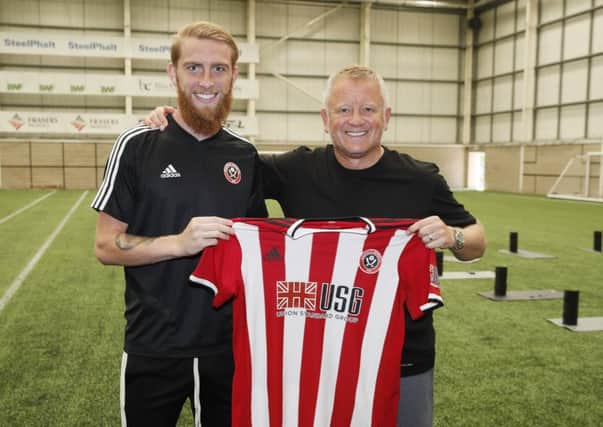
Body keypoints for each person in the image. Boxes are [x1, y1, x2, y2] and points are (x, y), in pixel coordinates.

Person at [145, 65, 486, 427]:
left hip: (403, 359)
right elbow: (225, 161)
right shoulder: (296, 169)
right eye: (343, 109)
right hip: (314, 358)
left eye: (368, 109)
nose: (355, 120)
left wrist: (454, 237)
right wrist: (183, 121)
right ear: (325, 119)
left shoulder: (420, 178)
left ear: (386, 117)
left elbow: (476, 240)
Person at [91, 21, 267, 427]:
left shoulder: (244, 155)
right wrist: (179, 243)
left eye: (219, 69)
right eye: (193, 67)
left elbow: (257, 246)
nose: (206, 81)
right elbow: (105, 245)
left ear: (234, 76)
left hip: (227, 346)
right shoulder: (136, 145)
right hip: (154, 345)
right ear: (173, 73)